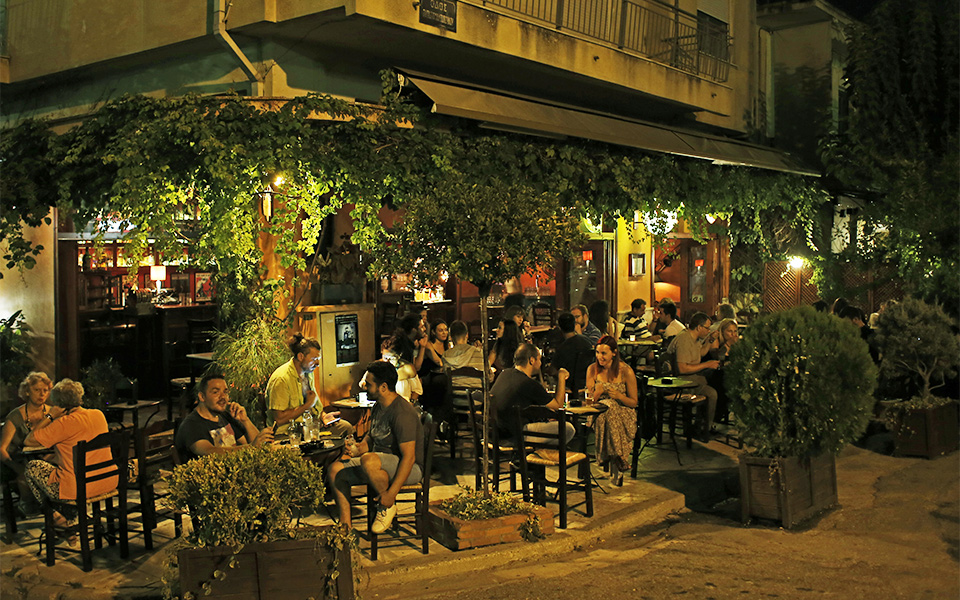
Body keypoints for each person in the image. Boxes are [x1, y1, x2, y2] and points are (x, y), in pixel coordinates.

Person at [328, 361, 423, 533]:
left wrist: (391, 494)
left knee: (369, 460)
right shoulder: (379, 406)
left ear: (383, 387)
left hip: (410, 468)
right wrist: (359, 448)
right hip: (378, 463)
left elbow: (409, 457)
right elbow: (372, 436)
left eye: (368, 384)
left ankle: (387, 506)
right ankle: (345, 527)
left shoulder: (402, 413)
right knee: (335, 470)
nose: (364, 387)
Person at [22, 379, 114, 526]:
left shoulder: (63, 423)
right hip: (107, 480)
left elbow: (29, 440)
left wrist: (50, 416)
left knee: (32, 467)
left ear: (58, 403)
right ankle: (67, 519)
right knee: (60, 469)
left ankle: (59, 520)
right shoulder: (98, 414)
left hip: (79, 488)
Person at [266, 334, 352, 437]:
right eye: (314, 359)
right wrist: (307, 405)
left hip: (310, 426)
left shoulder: (308, 373)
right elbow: (279, 419)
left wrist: (323, 416)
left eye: (318, 359)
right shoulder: (281, 379)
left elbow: (315, 406)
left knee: (346, 427)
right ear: (300, 356)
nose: (317, 363)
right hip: (289, 432)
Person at [175, 373, 274, 462]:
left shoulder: (225, 416)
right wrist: (251, 447)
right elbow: (210, 452)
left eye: (225, 392)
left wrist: (245, 420)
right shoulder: (191, 425)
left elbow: (257, 446)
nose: (223, 397)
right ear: (202, 397)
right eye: (215, 392)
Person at [490, 344, 573, 444]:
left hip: (497, 432)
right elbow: (559, 406)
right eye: (539, 359)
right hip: (515, 435)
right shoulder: (528, 383)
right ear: (532, 360)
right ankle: (541, 452)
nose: (541, 363)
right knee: (568, 428)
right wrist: (561, 377)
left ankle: (538, 450)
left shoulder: (504, 373)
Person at [586, 336, 638, 487]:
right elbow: (589, 400)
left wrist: (620, 396)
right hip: (598, 412)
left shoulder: (626, 371)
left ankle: (613, 456)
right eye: (597, 353)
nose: (599, 357)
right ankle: (619, 457)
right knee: (608, 406)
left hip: (623, 413)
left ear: (614, 353)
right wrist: (598, 391)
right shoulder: (592, 369)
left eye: (604, 353)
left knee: (611, 407)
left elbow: (633, 402)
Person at [1, 372, 53, 513]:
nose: (42, 394)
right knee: (25, 477)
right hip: (21, 459)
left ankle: (58, 510)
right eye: (37, 390)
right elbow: (2, 449)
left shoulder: (52, 413)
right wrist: (17, 468)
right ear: (27, 392)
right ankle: (30, 506)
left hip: (48, 457)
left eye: (45, 390)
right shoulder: (15, 416)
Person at [666, 312, 719, 441]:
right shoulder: (684, 339)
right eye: (707, 328)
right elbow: (683, 368)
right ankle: (702, 428)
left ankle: (701, 426)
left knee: (714, 383)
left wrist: (710, 340)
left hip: (692, 378)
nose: (708, 330)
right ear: (699, 327)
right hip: (682, 380)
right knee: (712, 392)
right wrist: (707, 364)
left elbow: (700, 353)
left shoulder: (695, 338)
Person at [382, 314, 425, 402]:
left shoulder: (409, 343)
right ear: (413, 330)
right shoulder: (403, 346)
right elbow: (416, 367)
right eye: (421, 327)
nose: (424, 329)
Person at [551, 312, 594, 395]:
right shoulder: (587, 341)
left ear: (560, 327)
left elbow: (553, 371)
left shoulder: (562, 348)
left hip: (568, 387)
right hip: (587, 384)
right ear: (574, 325)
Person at [442, 320, 488, 389]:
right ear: (467, 335)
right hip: (477, 394)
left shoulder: (446, 355)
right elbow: (489, 377)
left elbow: (446, 377)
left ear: (450, 337)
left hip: (456, 394)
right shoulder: (479, 353)